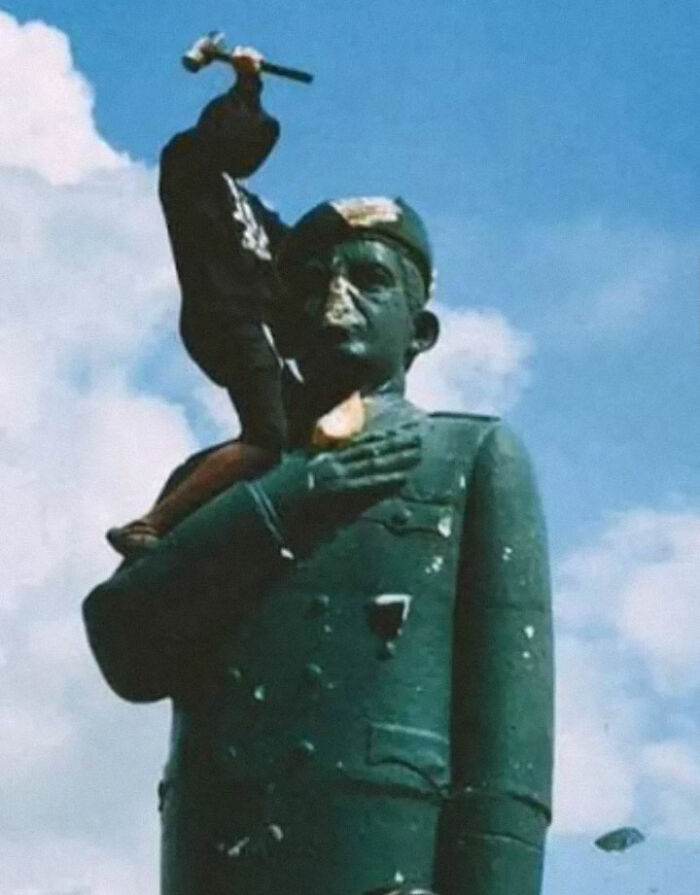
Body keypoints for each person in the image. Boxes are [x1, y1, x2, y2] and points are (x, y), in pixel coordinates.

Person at [84, 196, 554, 895]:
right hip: (219, 864)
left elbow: (509, 750)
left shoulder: (468, 457)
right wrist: (287, 499)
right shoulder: (217, 481)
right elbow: (125, 645)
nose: (335, 301)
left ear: (420, 330)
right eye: (309, 285)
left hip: (383, 865)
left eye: (370, 281)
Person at [107, 47, 290, 556]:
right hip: (224, 314)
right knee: (268, 436)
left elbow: (299, 250)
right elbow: (222, 131)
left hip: (250, 320)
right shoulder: (187, 163)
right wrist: (247, 83)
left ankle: (201, 493)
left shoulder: (247, 202)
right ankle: (153, 523)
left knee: (285, 431)